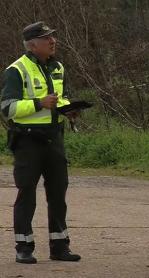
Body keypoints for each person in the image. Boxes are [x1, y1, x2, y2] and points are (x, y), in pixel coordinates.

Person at [0, 21, 81, 264]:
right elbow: (7, 108)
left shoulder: (58, 67)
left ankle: (60, 246)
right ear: (33, 45)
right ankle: (23, 247)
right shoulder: (16, 70)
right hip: (27, 141)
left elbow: (59, 99)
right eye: (47, 39)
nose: (53, 41)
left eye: (53, 38)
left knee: (58, 193)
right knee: (27, 194)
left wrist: (68, 109)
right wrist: (38, 103)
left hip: (54, 139)